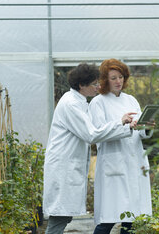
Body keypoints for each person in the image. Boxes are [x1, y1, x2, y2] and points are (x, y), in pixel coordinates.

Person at [43, 63, 137, 234]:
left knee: (63, 216)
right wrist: (120, 123)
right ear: (81, 85)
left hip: (67, 166)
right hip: (63, 167)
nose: (98, 87)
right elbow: (91, 134)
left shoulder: (78, 102)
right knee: (59, 217)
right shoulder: (71, 104)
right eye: (94, 84)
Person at [89, 59, 155, 234]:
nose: (118, 81)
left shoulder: (131, 100)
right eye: (113, 78)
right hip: (114, 165)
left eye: (121, 77)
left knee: (132, 220)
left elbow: (139, 132)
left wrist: (146, 127)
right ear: (104, 80)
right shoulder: (98, 102)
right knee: (108, 219)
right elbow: (97, 134)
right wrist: (121, 123)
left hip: (134, 162)